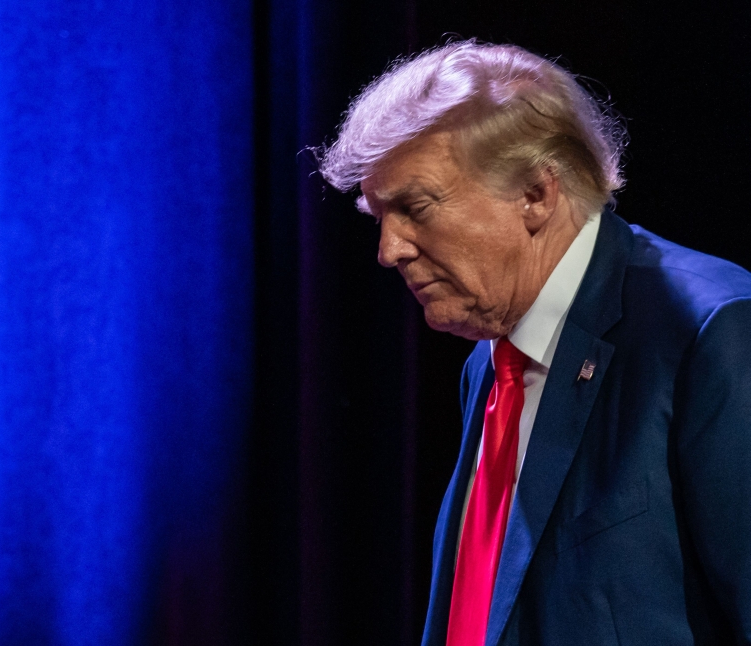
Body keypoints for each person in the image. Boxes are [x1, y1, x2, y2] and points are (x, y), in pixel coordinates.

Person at [318, 41, 751, 645]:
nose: (389, 250)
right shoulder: (490, 357)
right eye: (379, 217)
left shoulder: (715, 332)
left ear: (536, 194)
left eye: (414, 207)